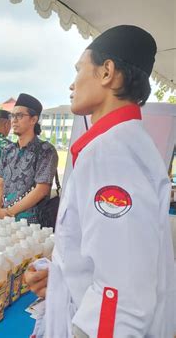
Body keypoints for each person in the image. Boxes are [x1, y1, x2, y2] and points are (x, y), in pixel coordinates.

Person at [25, 25, 176, 337]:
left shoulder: (112, 153)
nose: (72, 83)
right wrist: (62, 277)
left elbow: (122, 294)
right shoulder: (124, 144)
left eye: (79, 69)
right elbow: (112, 255)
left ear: (107, 72)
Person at [0, 94, 58, 223]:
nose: (14, 120)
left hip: (31, 226)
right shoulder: (8, 150)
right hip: (4, 221)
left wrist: (10, 212)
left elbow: (41, 190)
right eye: (13, 115)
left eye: (20, 115)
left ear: (33, 119)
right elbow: (0, 180)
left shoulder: (45, 151)